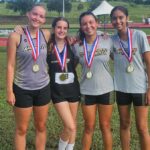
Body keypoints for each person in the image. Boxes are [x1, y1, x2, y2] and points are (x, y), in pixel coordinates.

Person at [6, 4, 51, 150]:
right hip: (22, 88)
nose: (37, 18)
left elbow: (65, 34)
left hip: (43, 87)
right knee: (21, 129)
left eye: (41, 16)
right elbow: (10, 65)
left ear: (44, 20)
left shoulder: (46, 34)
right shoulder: (15, 36)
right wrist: (9, 91)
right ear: (28, 14)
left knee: (41, 126)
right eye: (34, 14)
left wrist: (102, 35)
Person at [110, 6, 150, 150]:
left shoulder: (139, 35)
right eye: (114, 18)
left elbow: (148, 62)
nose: (118, 21)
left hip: (140, 88)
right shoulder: (111, 40)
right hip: (121, 88)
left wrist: (149, 88)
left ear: (127, 18)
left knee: (142, 127)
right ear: (111, 21)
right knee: (124, 124)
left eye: (121, 17)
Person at [73, 11, 114, 150]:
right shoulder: (76, 45)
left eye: (91, 22)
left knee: (105, 126)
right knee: (88, 127)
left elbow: (119, 59)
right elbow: (70, 67)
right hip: (86, 91)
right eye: (84, 23)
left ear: (96, 23)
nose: (88, 26)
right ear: (81, 26)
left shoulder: (108, 40)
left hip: (107, 89)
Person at [46, 17, 80, 150]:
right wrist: (18, 29)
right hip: (57, 91)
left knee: (73, 123)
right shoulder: (48, 45)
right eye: (59, 27)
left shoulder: (72, 45)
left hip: (73, 89)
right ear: (54, 28)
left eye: (65, 28)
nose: (62, 30)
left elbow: (75, 63)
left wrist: (103, 34)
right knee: (70, 125)